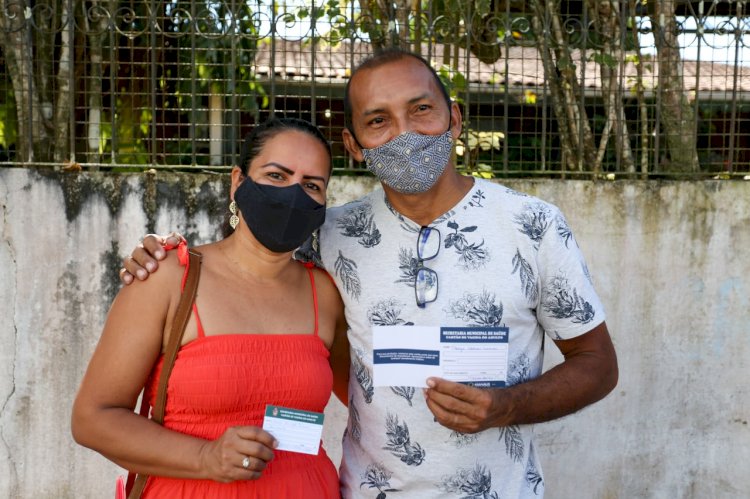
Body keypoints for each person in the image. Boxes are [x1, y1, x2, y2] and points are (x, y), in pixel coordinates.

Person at [122, 49, 618, 498]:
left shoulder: (532, 226)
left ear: (455, 118)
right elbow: (251, 263)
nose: (403, 133)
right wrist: (160, 257)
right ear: (355, 144)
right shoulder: (329, 235)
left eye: (421, 109)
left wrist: (507, 406)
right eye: (378, 121)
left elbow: (597, 362)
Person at [72, 117, 350, 498]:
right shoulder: (169, 277)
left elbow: (367, 396)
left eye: (311, 185)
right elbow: (92, 419)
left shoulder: (326, 293)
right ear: (238, 182)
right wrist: (206, 456)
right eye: (277, 176)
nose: (293, 195)